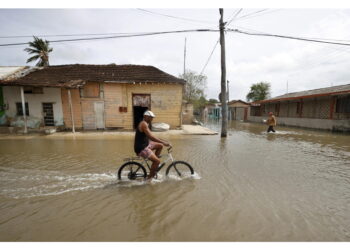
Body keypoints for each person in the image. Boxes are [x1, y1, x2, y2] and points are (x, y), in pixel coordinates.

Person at [134, 110, 171, 180]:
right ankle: (149, 179)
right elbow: (152, 137)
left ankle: (154, 166)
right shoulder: (143, 124)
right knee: (157, 161)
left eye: (152, 117)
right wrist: (164, 142)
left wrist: (163, 142)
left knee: (160, 145)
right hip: (141, 148)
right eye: (150, 117)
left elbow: (152, 136)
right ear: (145, 116)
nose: (152, 119)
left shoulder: (146, 123)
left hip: (146, 144)